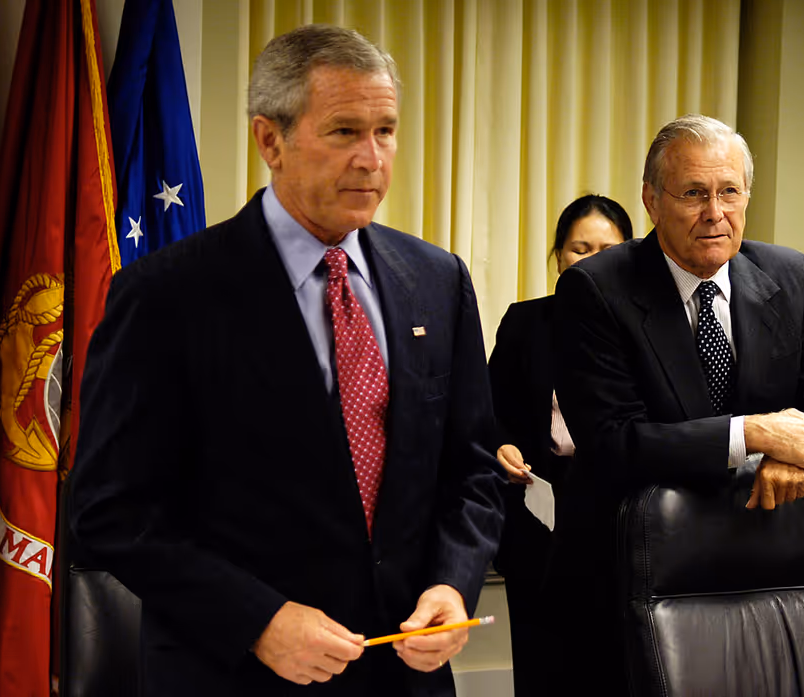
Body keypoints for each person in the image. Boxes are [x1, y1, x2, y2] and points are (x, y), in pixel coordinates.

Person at [68, 25, 504, 696]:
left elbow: (469, 470)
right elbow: (108, 514)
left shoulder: (437, 279)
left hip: (405, 675)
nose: (372, 158)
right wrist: (257, 619)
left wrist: (452, 580)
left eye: (385, 130)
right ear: (269, 140)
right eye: (343, 132)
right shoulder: (165, 294)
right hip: (234, 673)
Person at [547, 114, 804, 695]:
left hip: (756, 575)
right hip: (628, 582)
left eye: (729, 192)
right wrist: (754, 433)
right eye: (693, 193)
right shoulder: (595, 289)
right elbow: (614, 441)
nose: (714, 212)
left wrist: (801, 458)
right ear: (650, 199)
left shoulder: (786, 275)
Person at [487, 194, 633, 697]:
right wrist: (501, 446)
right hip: (540, 514)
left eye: (606, 249)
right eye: (579, 249)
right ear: (558, 257)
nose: (591, 261)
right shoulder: (525, 322)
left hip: (619, 520)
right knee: (541, 664)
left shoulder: (647, 332)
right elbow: (492, 412)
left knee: (613, 668)